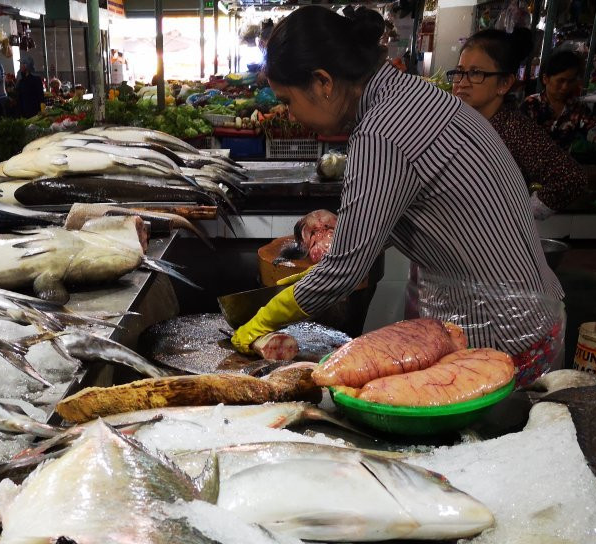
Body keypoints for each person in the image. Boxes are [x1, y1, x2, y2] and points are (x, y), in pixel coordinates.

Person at [230, 5, 565, 385]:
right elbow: (430, 206)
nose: (288, 115)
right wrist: (352, 225)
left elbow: (343, 271)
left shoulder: (381, 132)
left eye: (288, 101)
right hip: (527, 316)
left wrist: (263, 319)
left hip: (500, 335)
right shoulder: (412, 95)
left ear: (323, 82)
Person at [450, 28, 587, 219]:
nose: (461, 83)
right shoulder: (465, 123)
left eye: (475, 73)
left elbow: (571, 179)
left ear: (504, 83)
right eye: (459, 72)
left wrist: (520, 215)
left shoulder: (514, 129)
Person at [519, 50, 596, 154]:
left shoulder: (577, 107)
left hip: (563, 167)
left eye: (571, 81)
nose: (565, 87)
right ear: (545, 79)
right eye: (560, 81)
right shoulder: (531, 105)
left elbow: (595, 130)